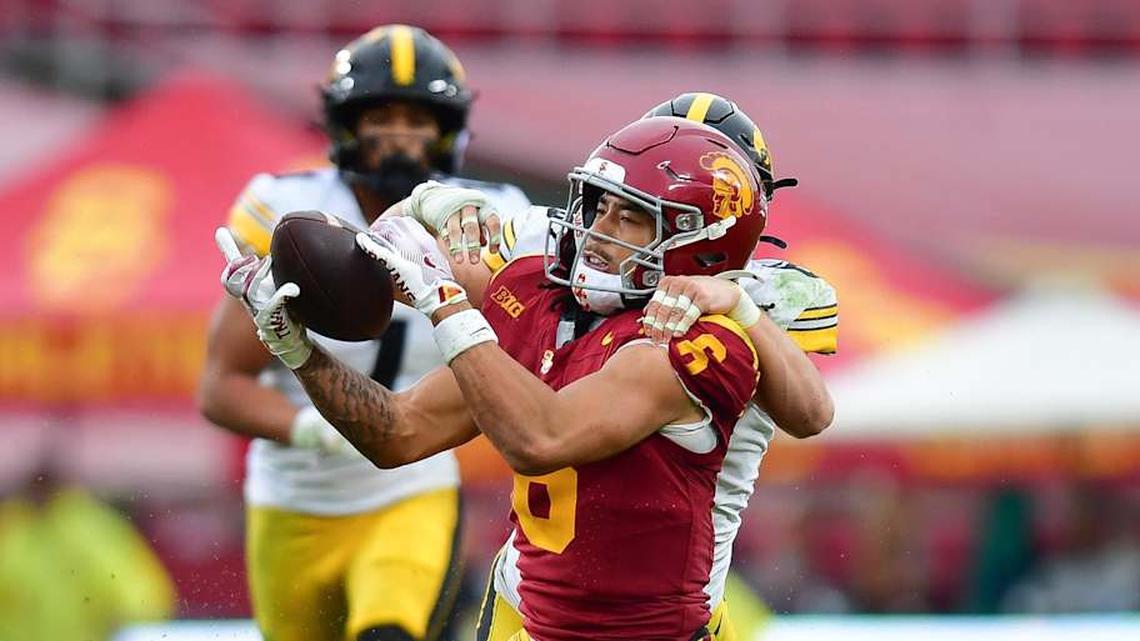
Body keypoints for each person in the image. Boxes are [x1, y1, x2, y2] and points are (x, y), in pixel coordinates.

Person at [217, 116, 820, 640]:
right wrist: (300, 352)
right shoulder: (543, 299)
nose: (598, 232)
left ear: (707, 239)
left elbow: (542, 439)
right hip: (530, 611)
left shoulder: (702, 332)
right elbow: (398, 433)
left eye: (632, 215)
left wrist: (447, 303)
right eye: (599, 204)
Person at [196, 24, 529, 641]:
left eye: (418, 118)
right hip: (293, 501)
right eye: (381, 116)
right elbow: (220, 387)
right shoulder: (284, 216)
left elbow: (525, 352)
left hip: (412, 488)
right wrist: (315, 430)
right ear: (347, 123)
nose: (400, 136)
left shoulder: (486, 217)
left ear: (447, 128)